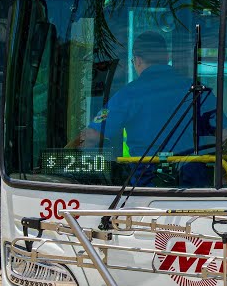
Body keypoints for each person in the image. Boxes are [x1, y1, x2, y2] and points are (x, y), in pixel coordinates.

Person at [70, 31, 215, 185]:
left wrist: (59, 156)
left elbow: (91, 136)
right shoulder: (199, 92)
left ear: (137, 61)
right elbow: (224, 136)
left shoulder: (128, 94)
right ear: (167, 58)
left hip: (145, 185)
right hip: (197, 187)